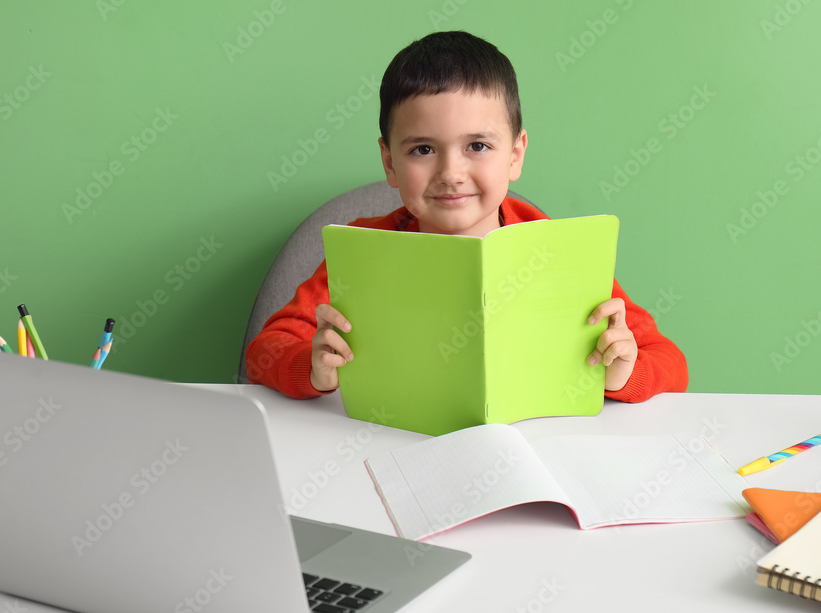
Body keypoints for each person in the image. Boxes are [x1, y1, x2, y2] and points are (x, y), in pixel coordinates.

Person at [246, 30, 688, 403]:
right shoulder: (362, 253)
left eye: (477, 146)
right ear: (389, 163)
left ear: (515, 156)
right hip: (389, 443)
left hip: (536, 445)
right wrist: (313, 367)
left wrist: (624, 374)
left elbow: (672, 363)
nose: (451, 174)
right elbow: (264, 352)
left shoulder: (559, 253)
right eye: (423, 149)